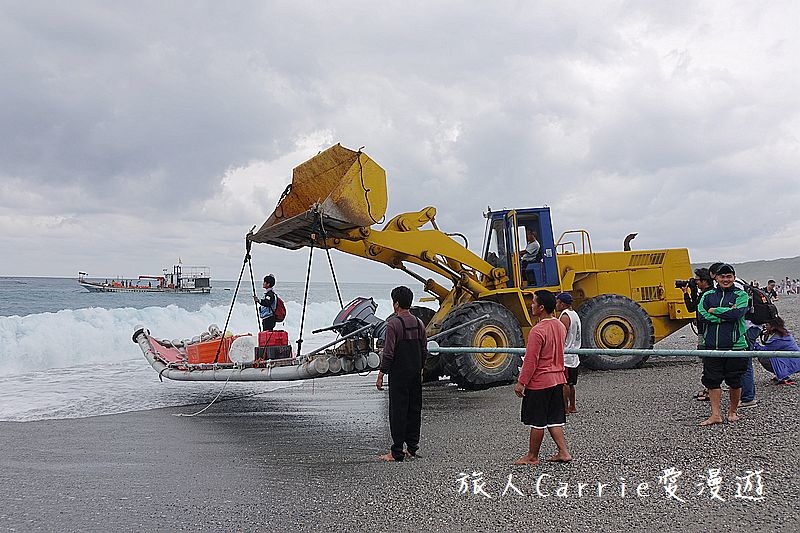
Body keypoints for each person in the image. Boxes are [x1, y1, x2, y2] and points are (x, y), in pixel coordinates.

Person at [513, 290, 571, 465]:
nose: (531, 305)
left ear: (541, 307)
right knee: (554, 419)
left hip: (540, 381)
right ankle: (564, 452)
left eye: (534, 303)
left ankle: (532, 456)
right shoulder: (560, 326)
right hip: (558, 378)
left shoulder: (537, 331)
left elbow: (531, 360)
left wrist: (521, 382)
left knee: (537, 422)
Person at [375, 286, 428, 462]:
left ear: (396, 303)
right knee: (414, 409)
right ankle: (412, 448)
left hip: (399, 374)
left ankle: (396, 451)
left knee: (398, 411)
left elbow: (389, 352)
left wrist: (382, 373)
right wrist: (421, 368)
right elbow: (423, 349)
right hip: (414, 372)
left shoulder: (394, 324)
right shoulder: (419, 323)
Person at [697, 263, 750, 425]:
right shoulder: (707, 295)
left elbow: (738, 313)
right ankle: (715, 414)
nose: (725, 279)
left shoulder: (741, 295)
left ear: (734, 277)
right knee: (712, 380)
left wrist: (714, 310)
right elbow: (701, 315)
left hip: (736, 345)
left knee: (735, 380)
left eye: (729, 276)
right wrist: (722, 316)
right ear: (716, 278)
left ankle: (732, 411)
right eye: (722, 276)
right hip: (712, 345)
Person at [682, 268, 715, 401]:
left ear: (704, 281)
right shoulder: (709, 293)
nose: (695, 282)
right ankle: (708, 389)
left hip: (706, 332)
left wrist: (687, 293)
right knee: (707, 359)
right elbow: (693, 307)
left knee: (708, 360)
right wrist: (691, 291)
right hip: (706, 331)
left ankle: (709, 390)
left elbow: (691, 307)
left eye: (697, 280)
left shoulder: (706, 295)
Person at [753, 317, 800, 385]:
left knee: (764, 358)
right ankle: (781, 374)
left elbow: (765, 350)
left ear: (773, 327)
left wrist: (753, 342)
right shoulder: (782, 333)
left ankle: (784, 377)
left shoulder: (778, 339)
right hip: (793, 359)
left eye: (767, 325)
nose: (765, 326)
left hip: (794, 361)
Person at [555, 292, 581, 414]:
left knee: (564, 383)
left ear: (563, 304)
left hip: (566, 354)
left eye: (557, 302)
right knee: (571, 383)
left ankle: (565, 408)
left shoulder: (564, 316)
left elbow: (562, 335)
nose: (556, 305)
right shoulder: (574, 314)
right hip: (574, 353)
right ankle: (573, 406)